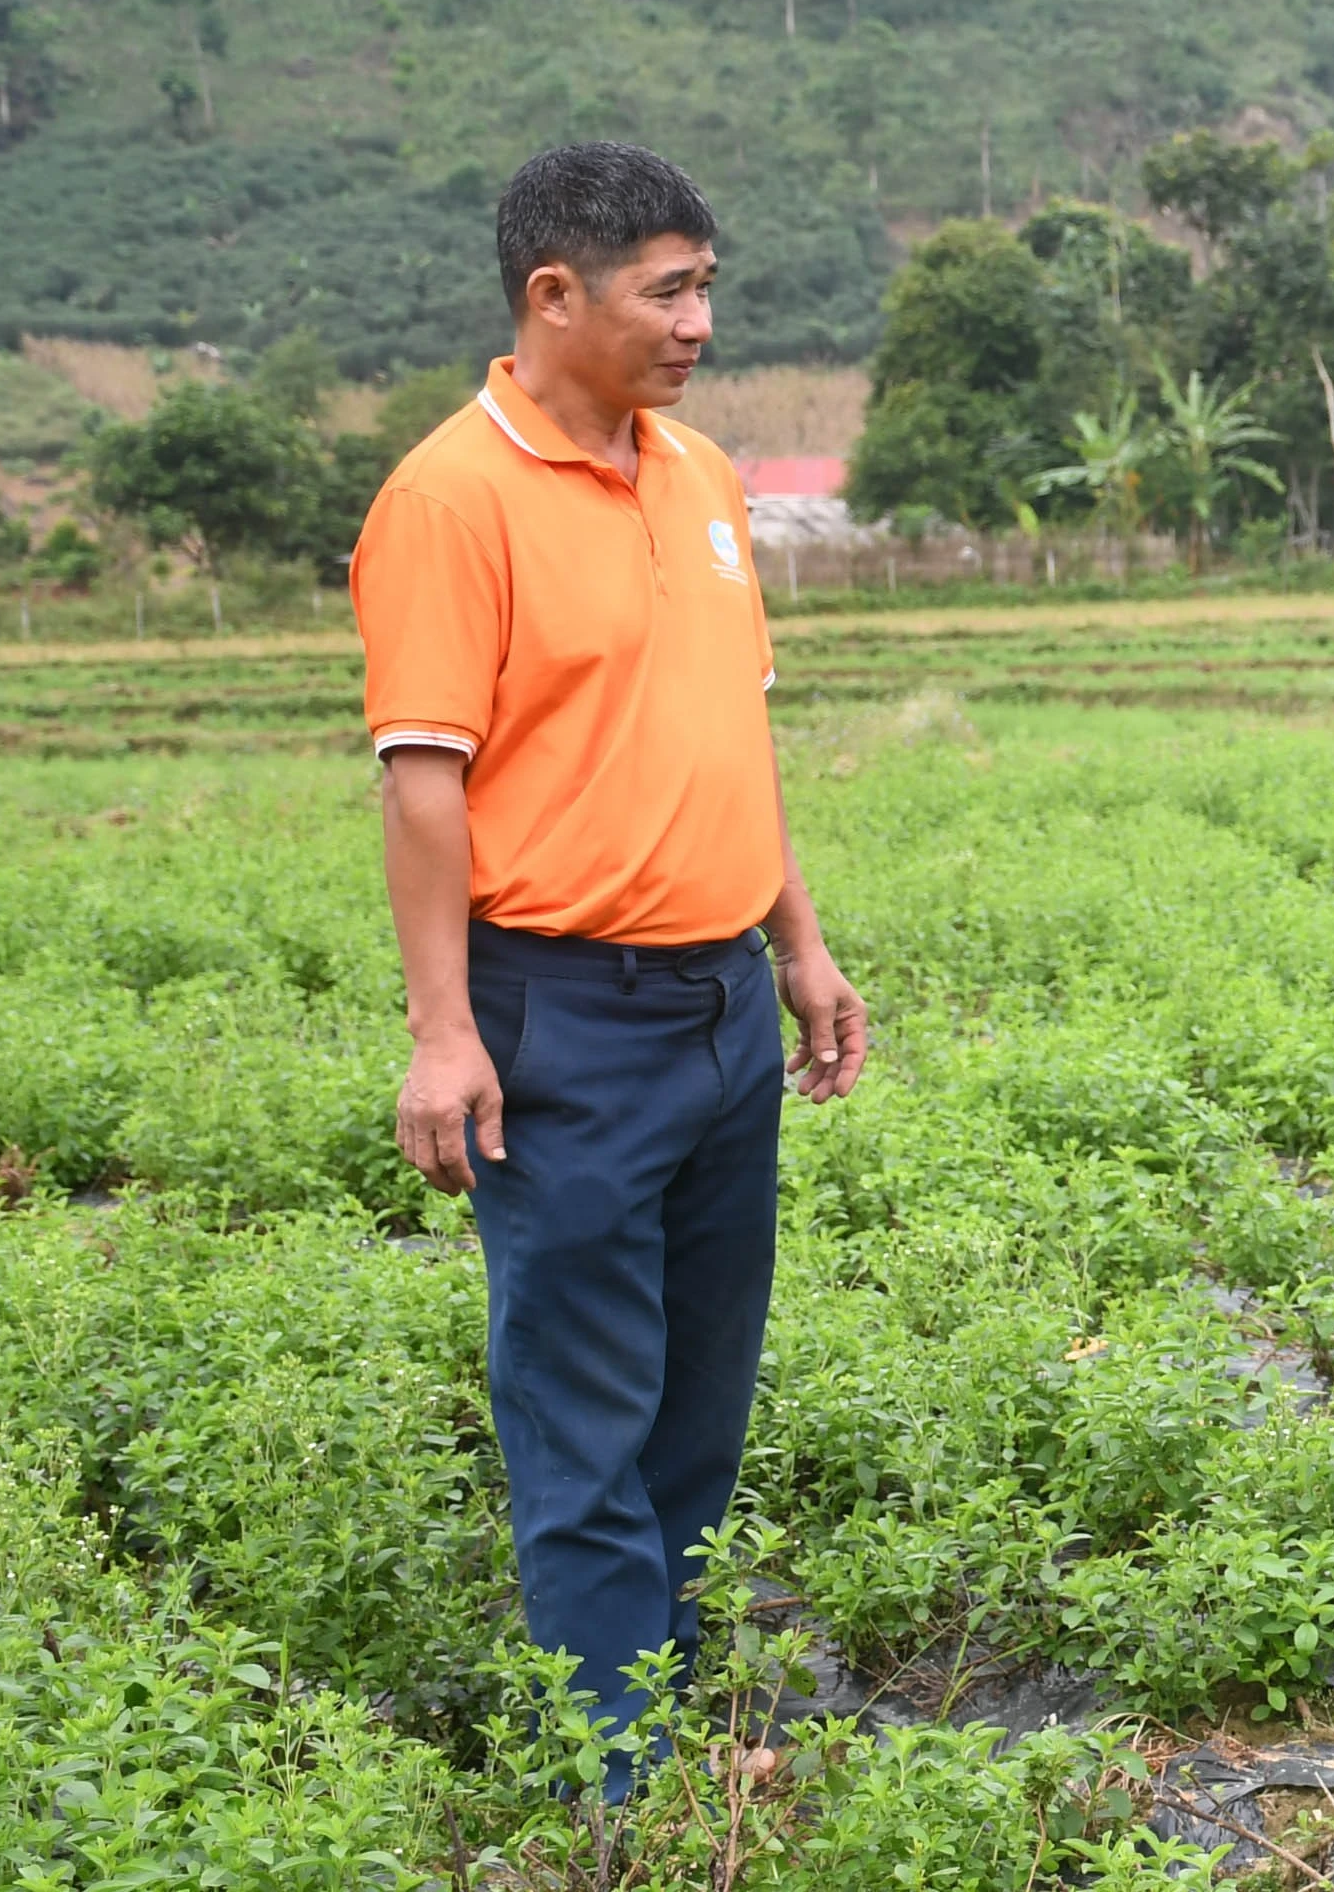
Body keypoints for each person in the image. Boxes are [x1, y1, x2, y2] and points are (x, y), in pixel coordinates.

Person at [356, 143, 871, 1796]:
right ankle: (622, 1778)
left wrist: (797, 944)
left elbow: (733, 733)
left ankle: (674, 1705)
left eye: (708, 284)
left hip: (721, 999)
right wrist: (446, 1035)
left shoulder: (701, 478)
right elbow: (423, 778)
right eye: (670, 288)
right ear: (552, 297)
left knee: (699, 1403)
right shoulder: (451, 499)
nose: (700, 321)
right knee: (585, 1409)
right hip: (558, 1010)